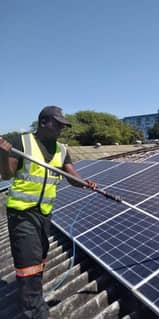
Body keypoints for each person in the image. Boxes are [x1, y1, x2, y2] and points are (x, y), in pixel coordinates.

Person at [0, 106, 97, 319]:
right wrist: (3, 154)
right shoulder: (21, 143)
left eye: (64, 124)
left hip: (44, 213)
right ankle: (35, 312)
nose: (62, 128)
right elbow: (6, 174)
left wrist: (84, 183)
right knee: (28, 262)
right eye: (58, 123)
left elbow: (71, 177)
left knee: (40, 259)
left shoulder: (62, 150)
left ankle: (30, 295)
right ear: (43, 122)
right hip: (22, 213)